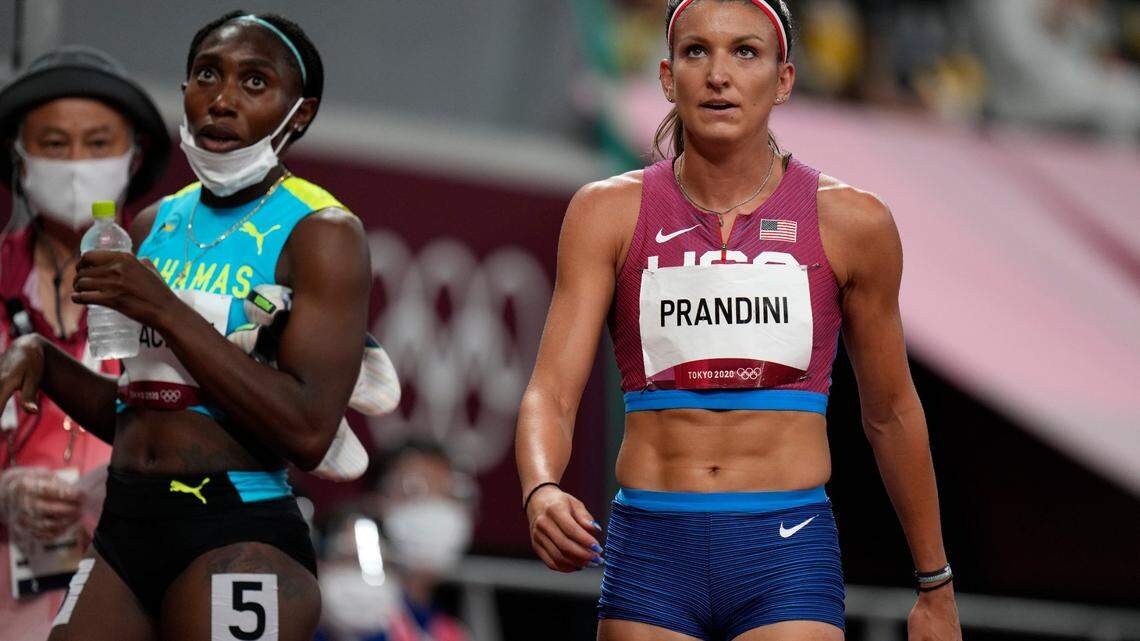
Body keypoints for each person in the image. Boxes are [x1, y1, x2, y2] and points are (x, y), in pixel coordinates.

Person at [515, 1, 963, 640]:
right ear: (668, 77)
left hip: (786, 546)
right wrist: (541, 489)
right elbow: (551, 393)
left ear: (784, 79)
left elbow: (891, 411)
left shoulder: (852, 223)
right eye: (698, 52)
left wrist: (935, 586)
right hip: (651, 546)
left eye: (745, 52)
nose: (718, 74)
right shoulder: (605, 213)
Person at [0, 11, 372, 641]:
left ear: (299, 114)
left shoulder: (323, 234)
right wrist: (43, 358)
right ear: (184, 91)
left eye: (254, 83)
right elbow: (138, 412)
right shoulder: (150, 225)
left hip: (234, 527)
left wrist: (164, 309)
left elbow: (309, 432)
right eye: (207, 75)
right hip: (126, 526)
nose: (223, 100)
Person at [0, 45, 170, 641]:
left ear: (134, 156)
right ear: (18, 160)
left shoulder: (174, 290)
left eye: (98, 143)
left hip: (138, 589)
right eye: (54, 144)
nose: (76, 163)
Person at [317, 439, 475, 641]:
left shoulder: (449, 632)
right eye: (416, 490)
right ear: (374, 502)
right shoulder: (355, 622)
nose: (436, 509)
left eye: (447, 493)